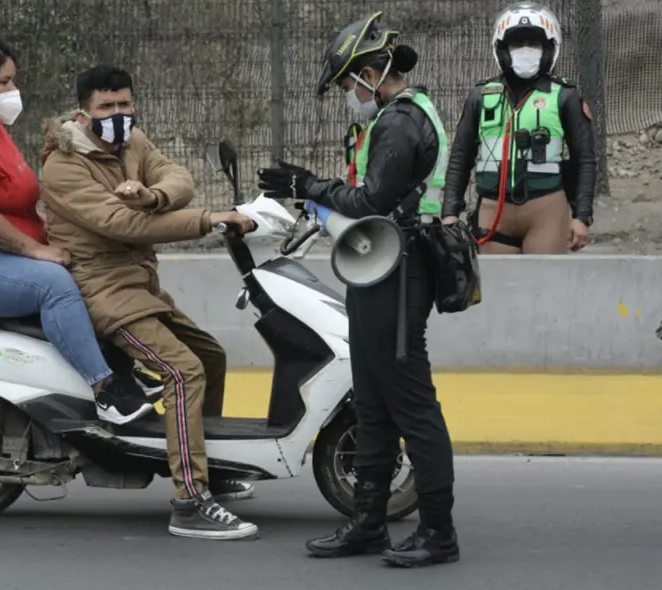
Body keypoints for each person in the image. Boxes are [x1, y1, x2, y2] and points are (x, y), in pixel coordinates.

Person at [256, 12, 460, 567]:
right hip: (380, 270)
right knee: (371, 401)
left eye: (349, 83)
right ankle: (368, 522)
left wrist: (307, 185)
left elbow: (371, 200)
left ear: (373, 72)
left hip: (400, 273)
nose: (349, 93)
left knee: (411, 404)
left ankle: (439, 533)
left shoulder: (399, 122)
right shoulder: (395, 118)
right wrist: (317, 193)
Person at [39, 64, 261, 541]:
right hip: (104, 290)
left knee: (211, 356)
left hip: (141, 285)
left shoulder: (132, 142)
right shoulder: (64, 165)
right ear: (84, 113)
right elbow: (124, 227)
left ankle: (209, 465)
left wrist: (152, 194)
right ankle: (190, 499)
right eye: (107, 106)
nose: (118, 113)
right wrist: (210, 220)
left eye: (124, 104)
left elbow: (179, 178)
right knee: (183, 372)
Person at [0, 35, 161, 427]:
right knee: (52, 283)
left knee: (88, 268)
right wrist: (36, 250)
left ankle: (118, 365)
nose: (13, 91)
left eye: (13, 81)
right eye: (4, 83)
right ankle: (105, 389)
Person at [440, 2, 597, 253]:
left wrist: (582, 215)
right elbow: (461, 156)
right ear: (502, 49)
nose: (525, 50)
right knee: (494, 289)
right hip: (493, 211)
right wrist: (449, 211)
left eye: (534, 44)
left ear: (548, 48)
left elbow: (585, 159)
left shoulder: (565, 96)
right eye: (516, 44)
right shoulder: (481, 96)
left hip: (547, 211)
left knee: (545, 287)